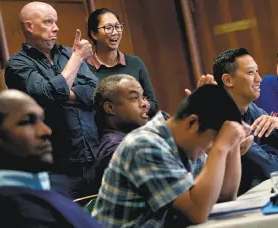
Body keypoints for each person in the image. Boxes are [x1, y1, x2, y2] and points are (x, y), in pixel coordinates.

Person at [92, 84, 251, 227]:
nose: (209, 149)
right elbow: (197, 212)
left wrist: (233, 145)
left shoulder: (185, 142)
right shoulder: (144, 145)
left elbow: (224, 196)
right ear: (192, 123)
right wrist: (221, 148)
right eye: (211, 141)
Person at [4, 1, 98, 199]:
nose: (56, 28)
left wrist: (63, 93)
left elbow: (96, 93)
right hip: (57, 169)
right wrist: (77, 58)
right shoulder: (17, 64)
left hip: (93, 159)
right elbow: (47, 95)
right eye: (48, 22)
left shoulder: (66, 53)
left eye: (55, 22)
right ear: (29, 26)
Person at [0, 90, 101, 228]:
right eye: (27, 121)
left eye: (42, 120)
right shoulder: (10, 207)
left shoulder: (44, 186)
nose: (46, 131)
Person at [213, 48, 278, 193]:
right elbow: (268, 167)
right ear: (228, 80)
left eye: (257, 72)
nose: (259, 79)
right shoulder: (223, 119)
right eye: (251, 72)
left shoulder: (250, 109)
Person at [87, 8, 158, 116]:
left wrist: (138, 107)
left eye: (117, 26)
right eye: (108, 28)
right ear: (94, 34)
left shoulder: (135, 63)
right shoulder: (85, 68)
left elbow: (153, 103)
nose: (115, 32)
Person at [91, 74, 150, 191]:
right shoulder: (115, 148)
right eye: (134, 98)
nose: (145, 104)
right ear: (110, 108)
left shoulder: (127, 140)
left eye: (143, 97)